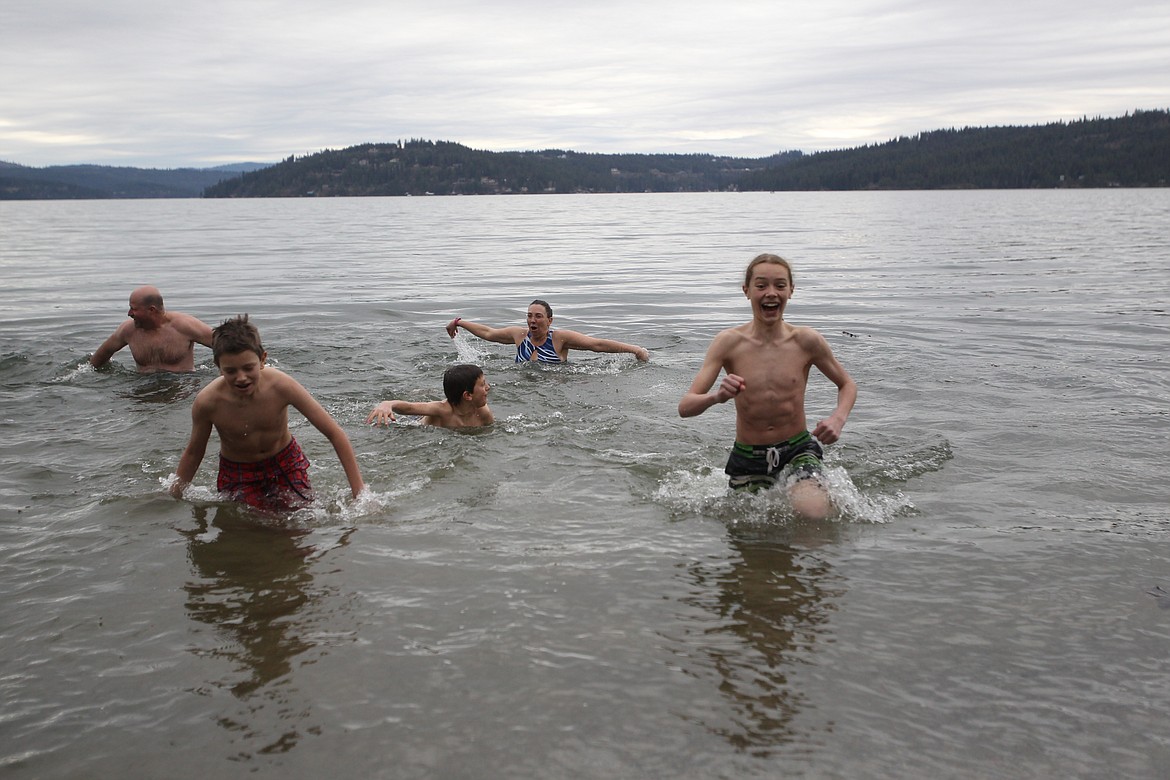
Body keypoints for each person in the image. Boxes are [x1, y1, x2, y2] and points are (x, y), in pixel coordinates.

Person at [678, 253, 857, 520]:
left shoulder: (807, 341)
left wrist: (838, 419)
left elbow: (847, 384)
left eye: (780, 285)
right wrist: (717, 396)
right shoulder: (728, 343)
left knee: (813, 514)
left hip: (798, 448)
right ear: (746, 291)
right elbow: (685, 407)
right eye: (761, 285)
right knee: (748, 539)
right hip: (748, 455)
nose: (771, 293)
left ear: (791, 291)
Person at [170, 315, 365, 511]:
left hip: (286, 463)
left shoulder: (281, 386)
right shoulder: (208, 402)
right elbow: (194, 452)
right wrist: (175, 494)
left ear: (262, 360)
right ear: (219, 368)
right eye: (231, 371)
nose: (241, 378)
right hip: (238, 471)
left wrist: (360, 495)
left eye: (248, 368)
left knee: (300, 522)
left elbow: (334, 433)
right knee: (254, 527)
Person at [445, 299, 650, 363]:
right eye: (529, 316)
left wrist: (635, 350)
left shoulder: (559, 339)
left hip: (556, 385)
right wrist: (459, 322)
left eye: (538, 316)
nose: (532, 320)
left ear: (549, 321)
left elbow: (596, 345)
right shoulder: (519, 335)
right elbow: (489, 333)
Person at [90, 285, 214, 372]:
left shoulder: (184, 326)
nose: (129, 313)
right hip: (143, 390)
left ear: (152, 310)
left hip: (181, 389)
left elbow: (226, 344)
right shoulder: (127, 330)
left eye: (134, 309)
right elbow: (100, 357)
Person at [366, 364, 494, 429]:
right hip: (416, 423)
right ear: (467, 395)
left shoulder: (483, 413)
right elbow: (409, 408)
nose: (488, 387)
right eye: (483, 385)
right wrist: (388, 404)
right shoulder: (443, 410)